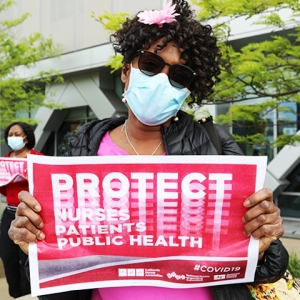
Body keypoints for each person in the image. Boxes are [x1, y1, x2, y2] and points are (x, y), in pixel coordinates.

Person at [8, 1, 288, 300]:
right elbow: (59, 281)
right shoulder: (84, 146)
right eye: (151, 65)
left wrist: (265, 237)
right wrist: (35, 245)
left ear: (188, 89)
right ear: (126, 71)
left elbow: (267, 267)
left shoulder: (214, 145)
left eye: (179, 76)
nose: (162, 81)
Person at [0, 122, 43, 298]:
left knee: (28, 259)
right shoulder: (5, 159)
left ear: (26, 136)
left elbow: (43, 184)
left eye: (18, 134)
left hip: (30, 215)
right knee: (7, 256)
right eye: (11, 134)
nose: (14, 137)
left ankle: (29, 294)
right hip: (9, 212)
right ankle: (15, 294)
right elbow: (3, 189)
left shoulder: (37, 157)